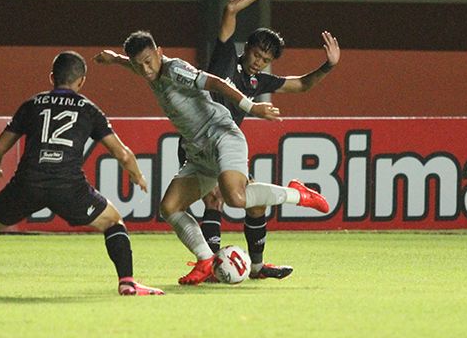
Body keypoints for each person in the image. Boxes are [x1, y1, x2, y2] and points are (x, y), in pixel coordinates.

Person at [0, 51, 164, 297]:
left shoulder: (32, 105)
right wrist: (137, 176)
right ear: (81, 81)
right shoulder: (89, 110)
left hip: (27, 184)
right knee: (113, 222)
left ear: (52, 77)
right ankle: (127, 283)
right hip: (69, 188)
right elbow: (123, 154)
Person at [94, 31, 329, 285]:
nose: (146, 68)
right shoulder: (148, 69)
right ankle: (206, 259)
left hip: (222, 136)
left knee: (236, 197)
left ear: (160, 52)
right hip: (198, 150)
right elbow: (139, 65)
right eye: (139, 64)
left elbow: (216, 83)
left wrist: (252, 107)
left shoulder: (175, 70)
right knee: (170, 208)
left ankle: (297, 194)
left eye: (149, 60)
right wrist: (115, 59)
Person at [193, 0, 341, 280]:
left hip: (228, 145)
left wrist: (328, 66)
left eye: (265, 59)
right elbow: (231, 9)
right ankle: (210, 265)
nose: (259, 61)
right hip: (201, 140)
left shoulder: (258, 80)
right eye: (257, 54)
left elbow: (301, 85)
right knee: (213, 198)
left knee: (255, 204)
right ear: (246, 48)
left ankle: (257, 267)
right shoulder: (224, 58)